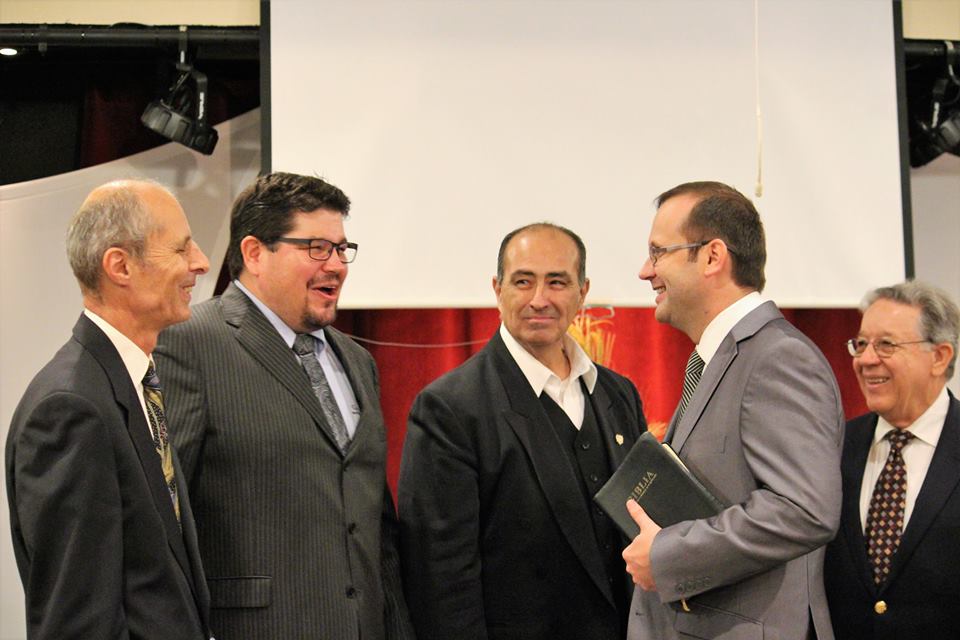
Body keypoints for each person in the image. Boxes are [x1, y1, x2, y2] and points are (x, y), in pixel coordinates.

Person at [154, 172, 414, 640]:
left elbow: (376, 528)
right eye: (317, 248)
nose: (336, 265)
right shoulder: (187, 344)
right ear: (255, 253)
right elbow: (162, 521)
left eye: (342, 249)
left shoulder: (358, 361)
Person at [398, 222, 646, 640]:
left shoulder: (618, 394)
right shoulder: (450, 408)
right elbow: (440, 583)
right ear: (498, 290)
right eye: (523, 281)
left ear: (582, 292)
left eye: (557, 282)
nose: (539, 299)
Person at [623, 181, 843, 640]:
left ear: (712, 257)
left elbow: (803, 509)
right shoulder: (720, 358)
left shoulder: (778, 357)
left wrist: (667, 555)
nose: (645, 271)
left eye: (658, 252)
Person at [5, 180, 213, 639]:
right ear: (120, 266)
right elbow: (76, 621)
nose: (200, 262)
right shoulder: (70, 409)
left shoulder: (129, 382)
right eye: (181, 249)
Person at [824, 281, 960, 639]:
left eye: (886, 345)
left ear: (940, 356)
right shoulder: (833, 447)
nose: (866, 360)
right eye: (861, 344)